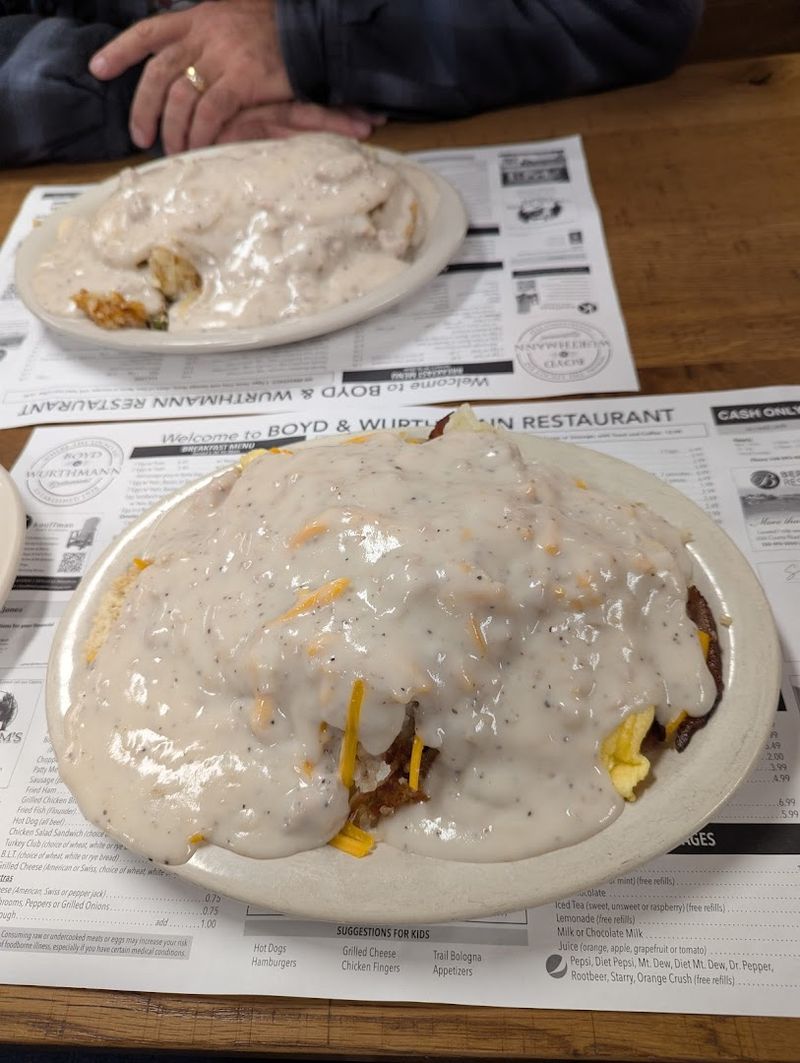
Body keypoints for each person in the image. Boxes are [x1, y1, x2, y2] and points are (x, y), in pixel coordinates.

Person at [1, 1, 704, 167]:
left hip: (453, 159)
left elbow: (631, 14)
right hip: (109, 175)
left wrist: (301, 34)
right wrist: (173, 86)